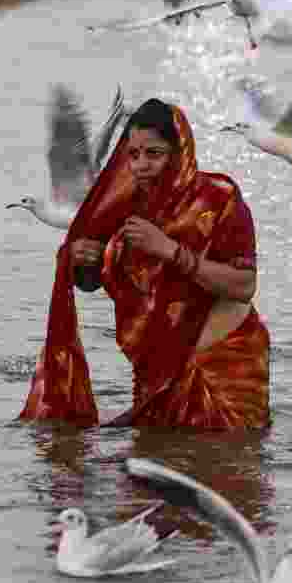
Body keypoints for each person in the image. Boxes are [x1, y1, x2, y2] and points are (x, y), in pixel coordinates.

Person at [18, 97, 271, 430]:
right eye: (133, 155)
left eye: (154, 154)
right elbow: (90, 280)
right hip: (152, 380)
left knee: (221, 464)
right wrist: (81, 260)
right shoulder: (121, 206)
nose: (140, 166)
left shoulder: (219, 198)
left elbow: (243, 286)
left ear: (180, 152)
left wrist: (170, 249)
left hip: (222, 369)